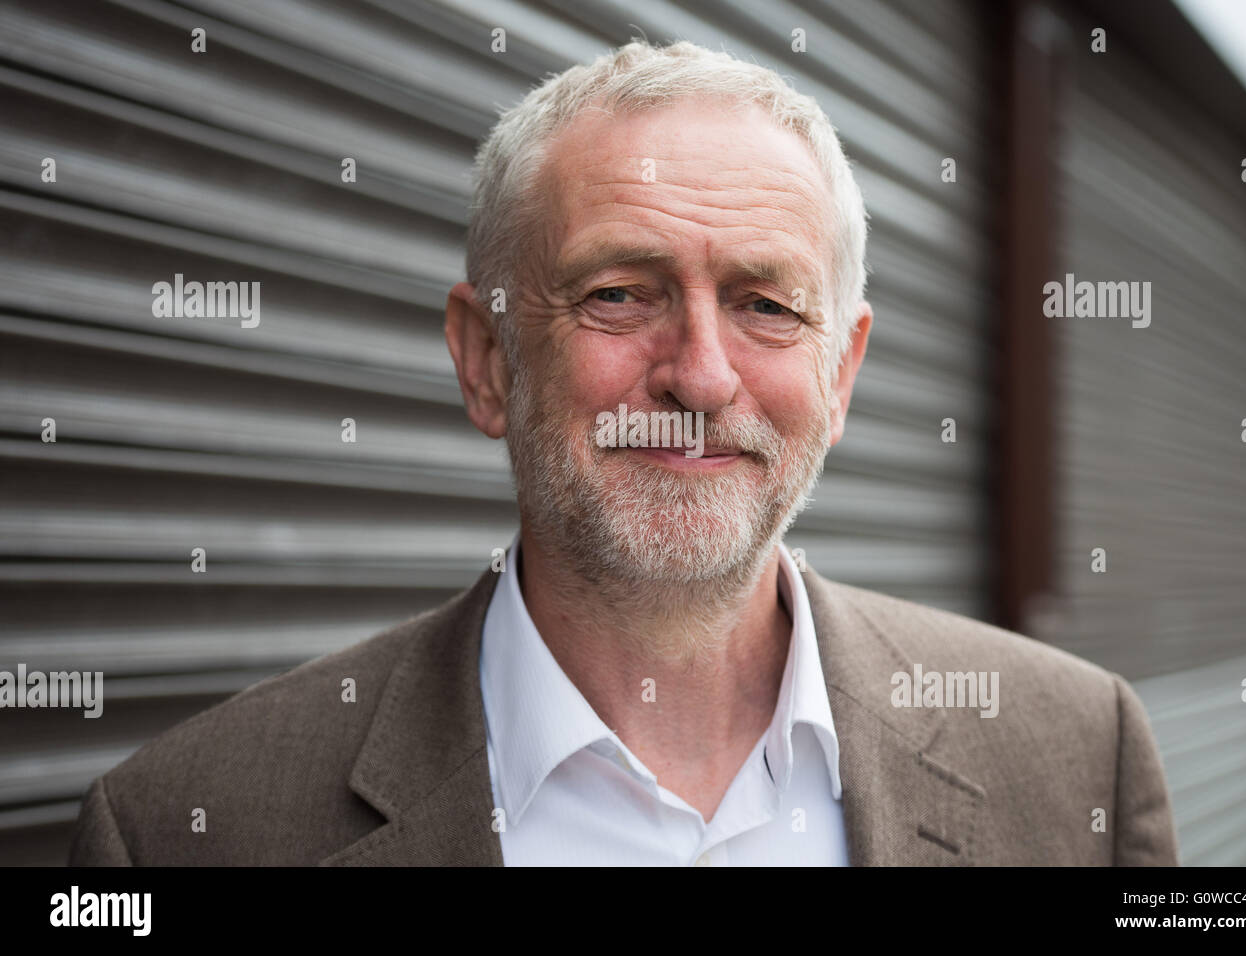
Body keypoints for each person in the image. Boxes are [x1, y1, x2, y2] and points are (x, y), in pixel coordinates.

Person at [69, 40, 1178, 866]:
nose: (699, 374)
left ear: (841, 374)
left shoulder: (1081, 755)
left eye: (764, 305)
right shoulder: (181, 832)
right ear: (486, 358)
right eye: (617, 294)